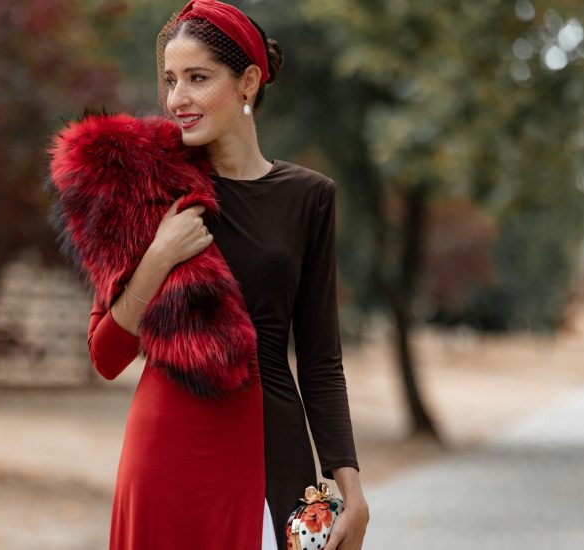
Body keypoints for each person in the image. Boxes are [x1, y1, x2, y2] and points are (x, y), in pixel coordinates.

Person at [86, 1, 369, 548]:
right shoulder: (150, 189)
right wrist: (159, 256)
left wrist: (349, 488)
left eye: (197, 78)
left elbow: (319, 358)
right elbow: (105, 354)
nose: (176, 100)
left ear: (248, 82)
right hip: (172, 439)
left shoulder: (308, 198)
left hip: (279, 440)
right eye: (170, 81)